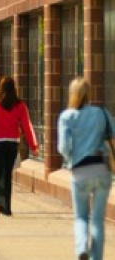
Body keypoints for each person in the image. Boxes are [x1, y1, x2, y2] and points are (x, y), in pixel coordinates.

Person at [57, 77, 113, 260]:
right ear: (89, 94)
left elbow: (63, 147)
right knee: (97, 219)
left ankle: (81, 248)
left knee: (81, 216)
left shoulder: (67, 116)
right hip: (101, 168)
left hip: (80, 171)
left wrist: (70, 159)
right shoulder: (101, 113)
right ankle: (96, 257)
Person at [0, 76, 38, 218]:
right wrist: (33, 146)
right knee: (7, 176)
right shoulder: (20, 105)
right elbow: (26, 126)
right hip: (12, 143)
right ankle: (7, 208)